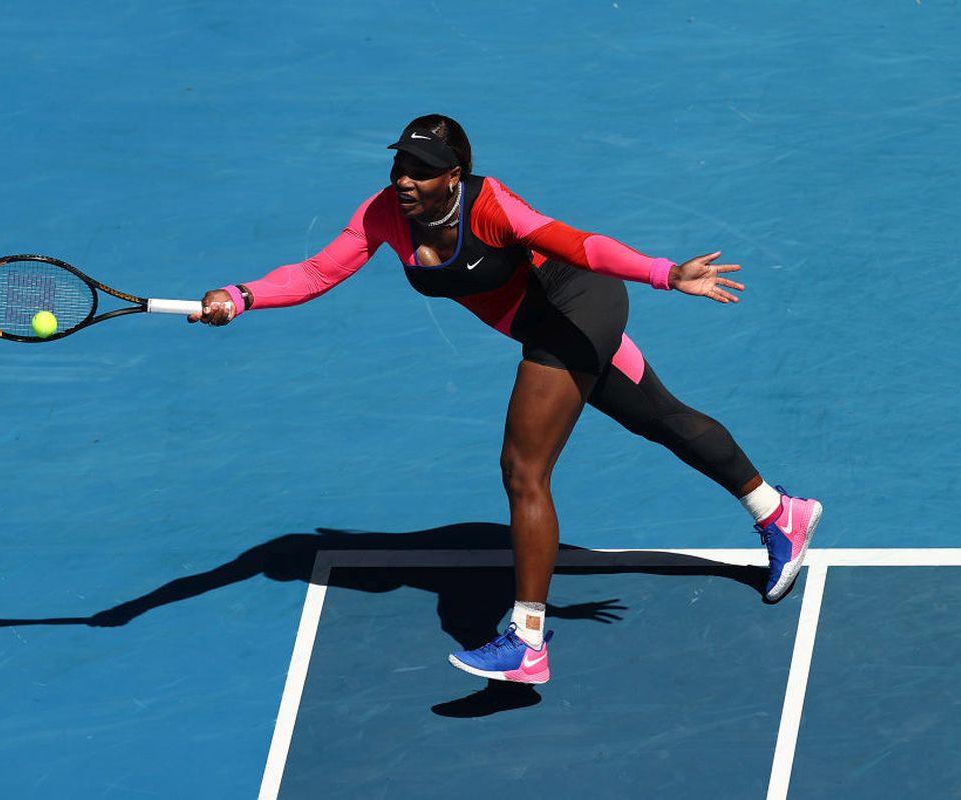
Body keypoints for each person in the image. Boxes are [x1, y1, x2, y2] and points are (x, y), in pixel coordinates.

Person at [188, 114, 822, 685]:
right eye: (400, 167)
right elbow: (317, 273)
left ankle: (526, 639)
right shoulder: (383, 213)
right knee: (660, 417)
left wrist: (662, 272)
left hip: (575, 306)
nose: (405, 181)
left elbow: (582, 246)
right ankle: (778, 512)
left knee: (523, 469)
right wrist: (240, 296)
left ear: (454, 176)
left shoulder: (492, 206)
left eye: (423, 171)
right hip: (547, 322)